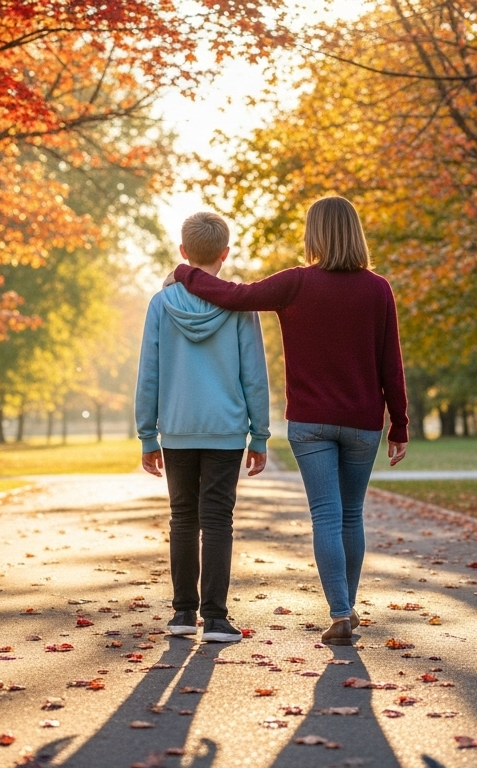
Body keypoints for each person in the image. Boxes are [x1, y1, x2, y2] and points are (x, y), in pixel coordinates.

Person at [168, 195, 407, 646]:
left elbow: (234, 295)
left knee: (327, 515)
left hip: (311, 422)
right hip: (363, 423)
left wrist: (185, 273)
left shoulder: (296, 283)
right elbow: (390, 363)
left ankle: (340, 611)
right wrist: (400, 424)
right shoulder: (378, 289)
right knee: (351, 514)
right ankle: (346, 608)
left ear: (313, 234)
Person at [135, 211, 270, 644]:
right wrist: (260, 433)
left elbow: (149, 372)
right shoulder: (238, 307)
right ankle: (214, 619)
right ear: (225, 255)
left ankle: (181, 615)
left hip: (176, 427)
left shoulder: (161, 304)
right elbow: (254, 374)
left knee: (182, 519)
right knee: (217, 521)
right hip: (226, 429)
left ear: (183, 253)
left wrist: (147, 434)